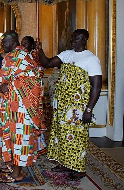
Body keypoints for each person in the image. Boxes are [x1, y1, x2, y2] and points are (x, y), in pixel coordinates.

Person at [37, 29, 102, 181]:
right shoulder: (66, 54)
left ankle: (78, 169)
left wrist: (89, 109)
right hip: (61, 106)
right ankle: (64, 164)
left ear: (84, 39)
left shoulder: (91, 59)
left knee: (77, 137)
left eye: (76, 38)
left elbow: (97, 86)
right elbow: (46, 63)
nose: (72, 40)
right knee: (61, 135)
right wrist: (40, 50)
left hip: (78, 108)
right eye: (72, 37)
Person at [0, 30, 46, 183]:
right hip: (9, 106)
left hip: (22, 108)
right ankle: (11, 164)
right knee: (8, 135)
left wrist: (9, 86)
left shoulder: (23, 56)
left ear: (12, 41)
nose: (2, 44)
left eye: (4, 41)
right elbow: (5, 79)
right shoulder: (10, 57)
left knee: (19, 139)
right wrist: (4, 86)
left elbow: (35, 80)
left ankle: (17, 173)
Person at [21, 36, 47, 155]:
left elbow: (40, 72)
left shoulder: (35, 58)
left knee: (34, 118)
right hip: (23, 93)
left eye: (26, 43)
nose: (23, 45)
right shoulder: (19, 57)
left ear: (32, 46)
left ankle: (37, 146)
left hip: (34, 92)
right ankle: (25, 145)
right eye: (22, 43)